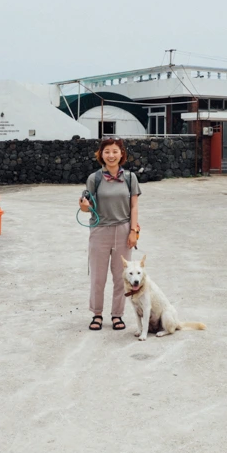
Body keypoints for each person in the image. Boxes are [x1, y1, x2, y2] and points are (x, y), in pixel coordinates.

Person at [79, 137, 141, 331]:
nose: (111, 155)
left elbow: (134, 206)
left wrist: (133, 231)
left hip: (123, 230)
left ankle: (117, 315)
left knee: (121, 277)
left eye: (115, 151)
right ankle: (97, 314)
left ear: (122, 154)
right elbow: (87, 208)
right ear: (101, 154)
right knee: (98, 277)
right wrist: (83, 206)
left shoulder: (130, 178)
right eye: (107, 152)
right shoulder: (94, 178)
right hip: (100, 231)